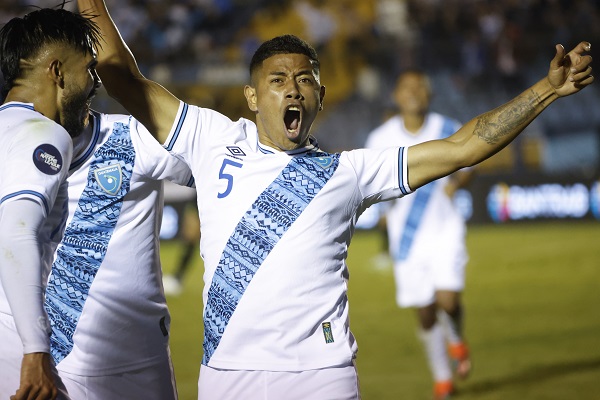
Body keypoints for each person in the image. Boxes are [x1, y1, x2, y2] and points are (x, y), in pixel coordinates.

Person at [77, 0, 593, 398]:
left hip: (322, 376)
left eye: (305, 80)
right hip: (226, 374)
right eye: (277, 81)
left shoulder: (350, 172)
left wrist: (545, 91)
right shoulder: (212, 139)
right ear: (254, 98)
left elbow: (464, 146)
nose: (293, 90)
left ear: (321, 96)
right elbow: (123, 78)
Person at [44, 109, 193, 400]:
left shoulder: (133, 135)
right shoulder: (15, 142)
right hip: (53, 350)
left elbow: (211, 168)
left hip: (139, 354)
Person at [0, 6, 101, 400]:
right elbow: (16, 231)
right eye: (89, 69)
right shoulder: (43, 133)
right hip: (14, 348)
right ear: (57, 72)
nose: (95, 82)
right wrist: (34, 349)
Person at [365, 69, 474, 400]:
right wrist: (381, 211)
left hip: (444, 229)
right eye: (405, 87)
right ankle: (442, 379)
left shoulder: (448, 128)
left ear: (429, 94)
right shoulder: (379, 139)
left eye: (419, 87)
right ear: (396, 96)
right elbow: (370, 183)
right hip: (407, 237)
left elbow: (470, 165)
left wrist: (456, 184)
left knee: (448, 300)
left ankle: (456, 338)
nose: (412, 92)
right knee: (425, 312)